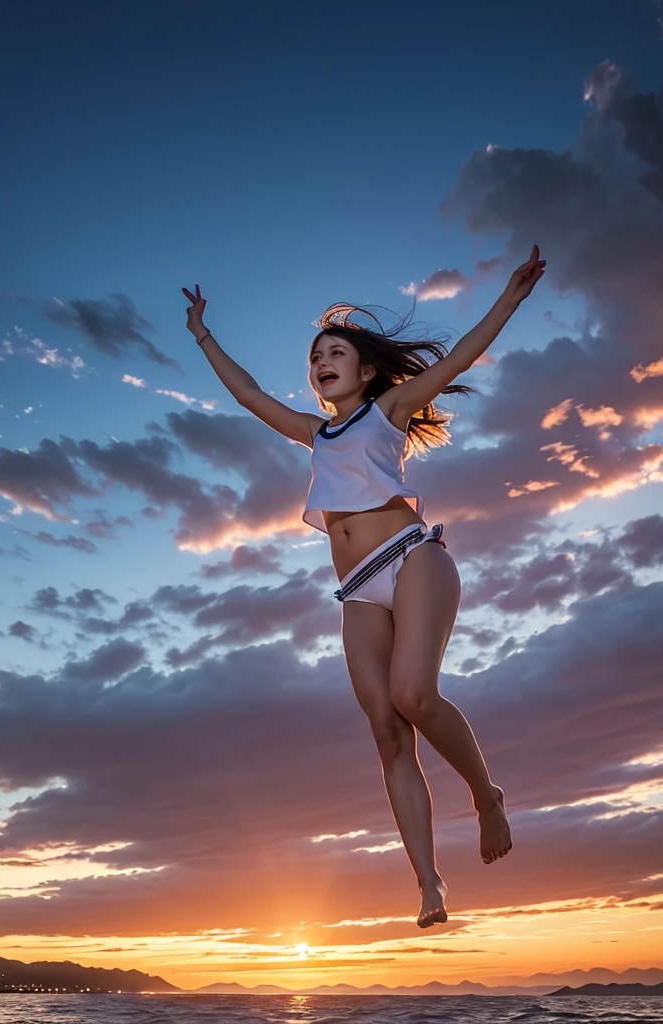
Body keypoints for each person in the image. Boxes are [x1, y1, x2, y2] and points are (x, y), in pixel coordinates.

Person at [181, 245, 545, 928]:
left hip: (413, 559)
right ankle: (430, 884)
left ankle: (486, 795)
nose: (322, 361)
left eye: (335, 352)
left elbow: (459, 359)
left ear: (368, 370)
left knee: (413, 696)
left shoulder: (390, 411)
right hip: (356, 591)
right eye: (315, 355)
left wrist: (511, 299)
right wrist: (203, 333)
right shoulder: (315, 433)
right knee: (386, 732)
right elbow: (248, 394)